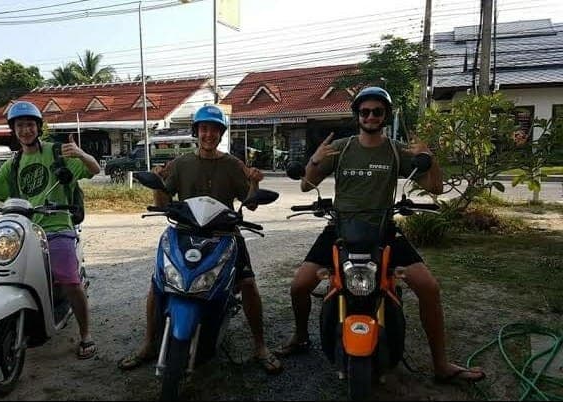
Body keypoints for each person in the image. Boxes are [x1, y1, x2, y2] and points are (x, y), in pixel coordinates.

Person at [274, 87, 486, 384]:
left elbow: (436, 188)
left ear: (385, 116)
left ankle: (441, 363)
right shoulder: (343, 148)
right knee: (299, 285)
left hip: (384, 230)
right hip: (340, 229)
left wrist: (429, 157)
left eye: (377, 111)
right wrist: (315, 159)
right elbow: (307, 185)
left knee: (429, 287)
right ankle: (300, 337)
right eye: (365, 112)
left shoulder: (396, 150)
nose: (371, 116)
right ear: (357, 115)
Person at [117, 104, 283, 375]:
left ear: (220, 134)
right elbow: (164, 202)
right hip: (184, 233)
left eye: (214, 130)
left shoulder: (232, 164)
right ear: (197, 132)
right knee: (158, 284)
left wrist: (254, 182)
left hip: (225, 234)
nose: (208, 134)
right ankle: (148, 343)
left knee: (249, 284)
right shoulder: (181, 164)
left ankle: (260, 346)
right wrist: (158, 184)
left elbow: (249, 205)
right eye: (204, 129)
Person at [0, 101, 101, 360]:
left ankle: (85, 334)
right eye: (20, 125)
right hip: (24, 228)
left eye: (30, 124)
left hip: (57, 226)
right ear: (14, 130)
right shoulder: (13, 163)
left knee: (68, 278)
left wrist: (81, 154)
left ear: (38, 128)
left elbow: (95, 169)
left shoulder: (57, 153)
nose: (25, 130)